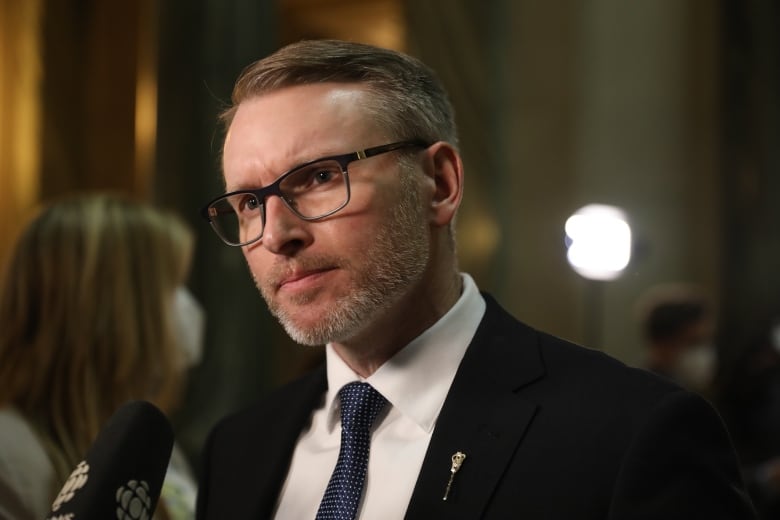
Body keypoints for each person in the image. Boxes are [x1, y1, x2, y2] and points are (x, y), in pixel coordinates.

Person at [195, 39, 756, 519]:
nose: (275, 235)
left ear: (439, 183)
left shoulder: (630, 433)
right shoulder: (239, 449)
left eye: (319, 177)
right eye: (248, 202)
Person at [0, 193, 203, 520]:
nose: (188, 307)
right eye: (172, 286)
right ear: (116, 309)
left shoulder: (148, 445)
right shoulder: (9, 460)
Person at [635, 283, 717, 395]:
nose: (702, 353)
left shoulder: (684, 395)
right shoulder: (641, 397)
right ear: (662, 343)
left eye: (706, 343)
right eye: (693, 343)